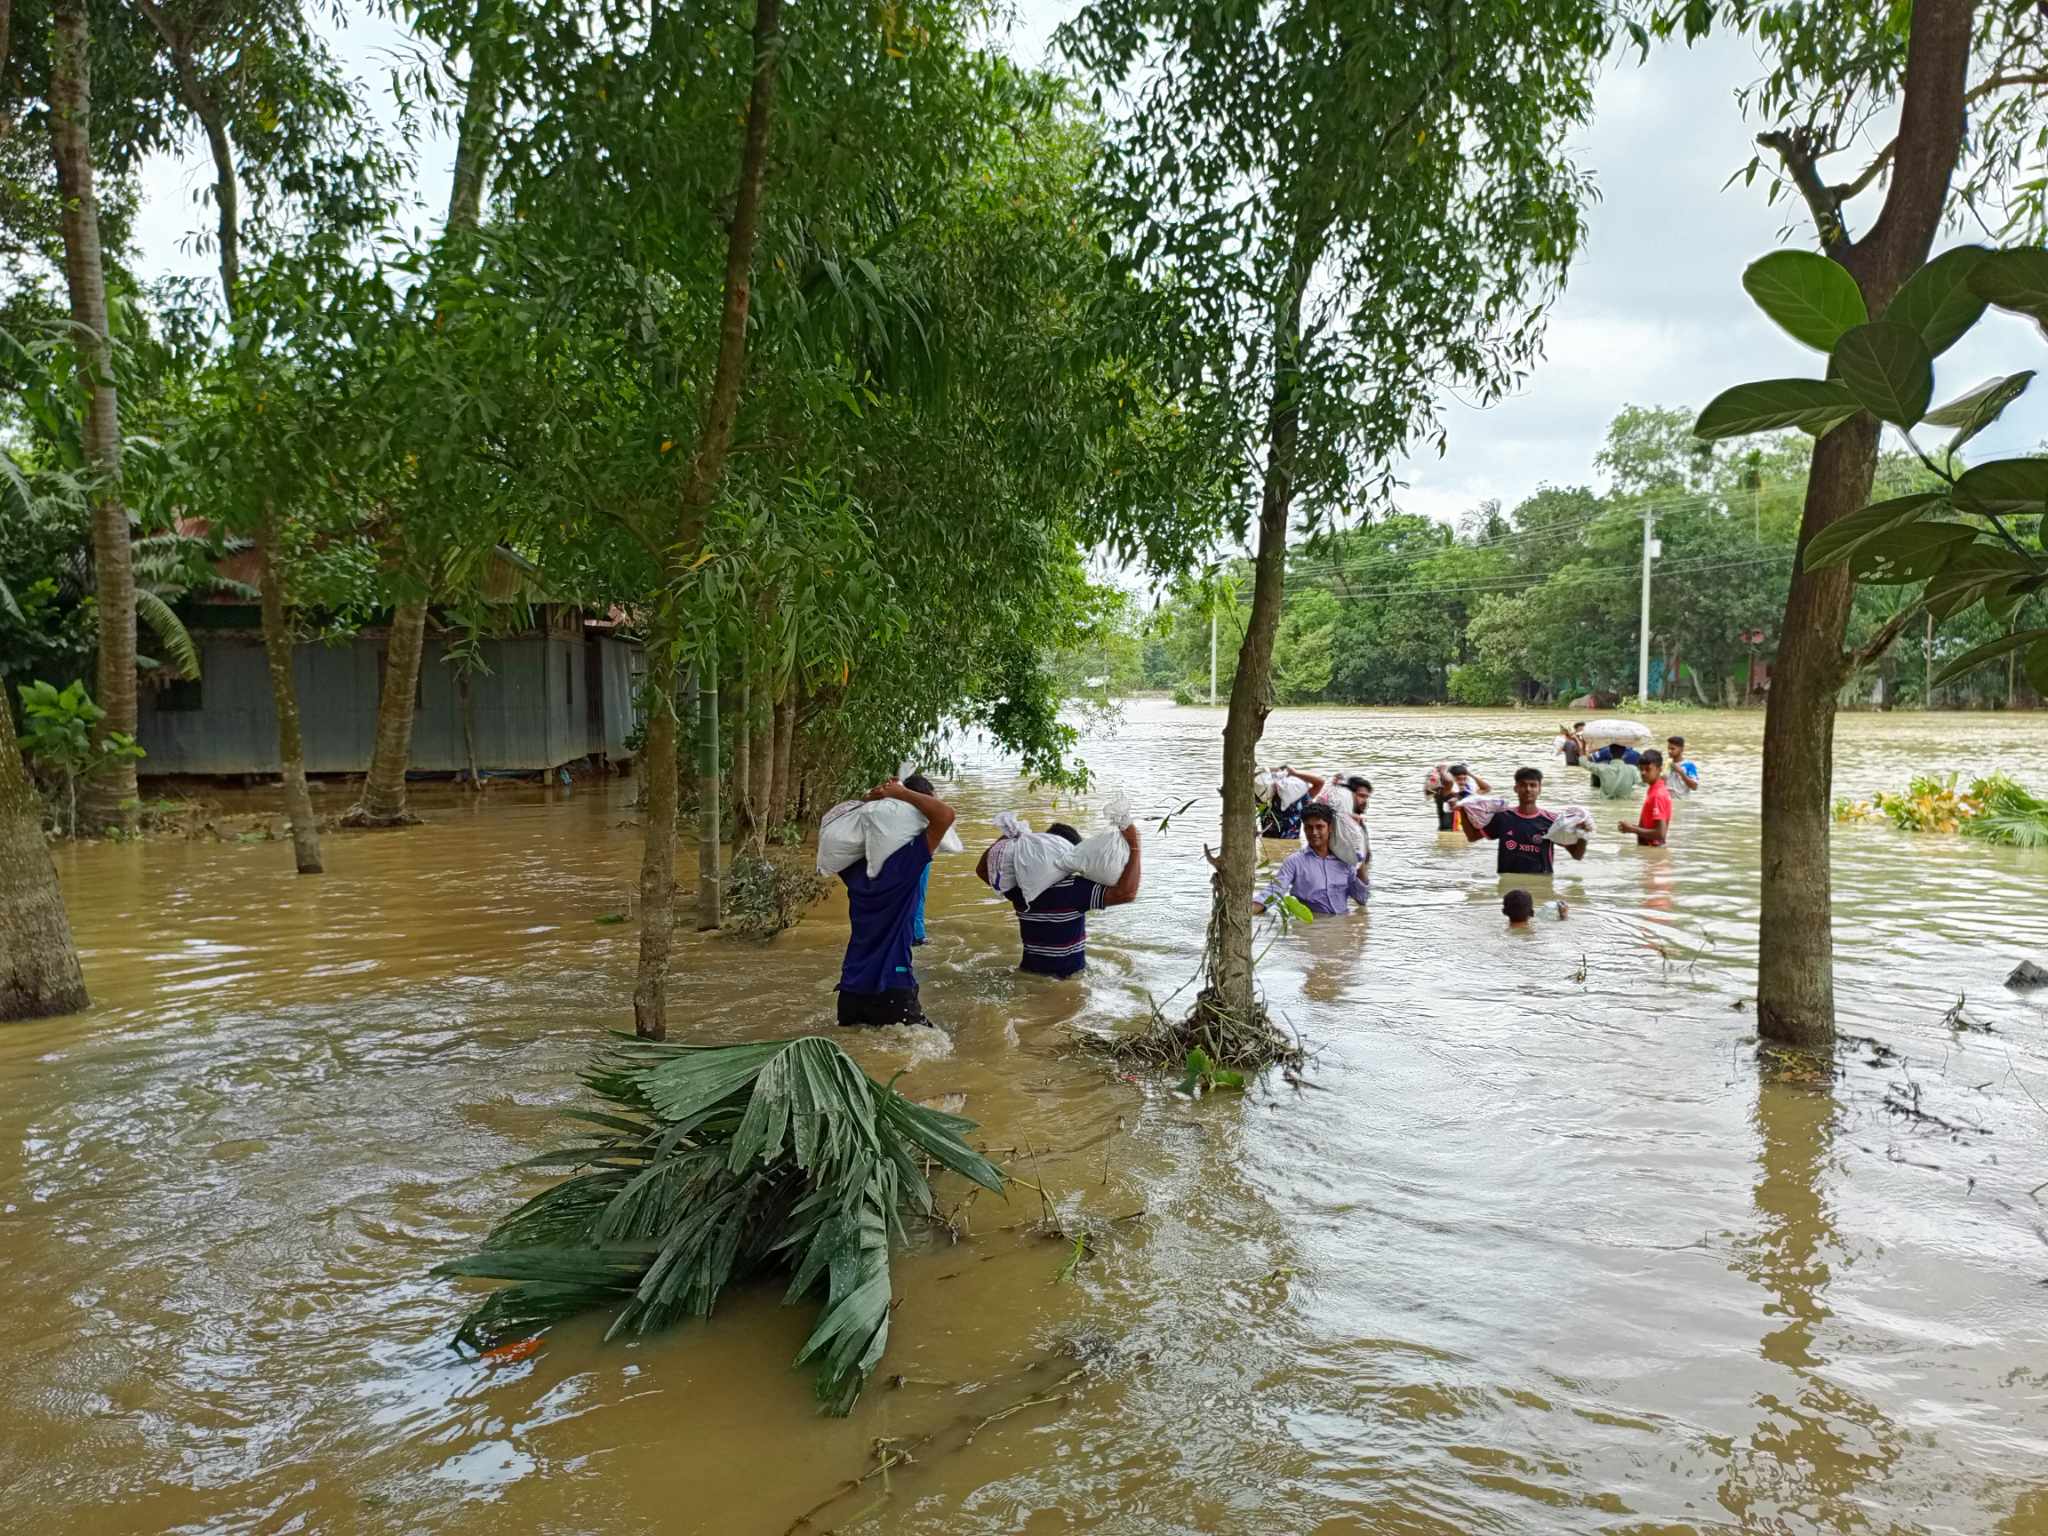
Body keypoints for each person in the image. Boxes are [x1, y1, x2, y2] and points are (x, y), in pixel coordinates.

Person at [836, 775, 955, 1026]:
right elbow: (944, 815)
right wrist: (902, 794)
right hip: (893, 986)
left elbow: (845, 831)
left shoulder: (851, 868)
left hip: (850, 989)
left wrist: (872, 798)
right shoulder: (906, 865)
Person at [980, 821, 1141, 978]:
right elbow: (1127, 894)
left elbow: (982, 871)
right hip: (1068, 981)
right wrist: (1134, 846)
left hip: (1028, 975)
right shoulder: (1077, 890)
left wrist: (1009, 836)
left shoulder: (1021, 890)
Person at [1459, 766, 1588, 875]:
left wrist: (1582, 834)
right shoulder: (1502, 817)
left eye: (1533, 785)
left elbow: (1577, 855)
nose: (1528, 789)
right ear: (1516, 788)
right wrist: (1462, 810)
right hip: (1508, 883)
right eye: (1523, 785)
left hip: (1541, 884)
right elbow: (1472, 837)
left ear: (1539, 789)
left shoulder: (1553, 821)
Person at [1252, 802, 1370, 916]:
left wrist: (1361, 863)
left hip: (1342, 926)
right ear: (1304, 829)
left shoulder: (1345, 860)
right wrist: (1250, 910)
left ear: (1330, 828)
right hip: (1312, 926)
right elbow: (1275, 890)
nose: (1314, 832)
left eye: (1319, 827)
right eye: (1309, 827)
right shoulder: (1294, 862)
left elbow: (1362, 899)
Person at [1618, 749, 1673, 846]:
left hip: (1654, 853)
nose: (1643, 773)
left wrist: (1632, 829)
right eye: (1641, 769)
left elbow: (1660, 834)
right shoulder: (1654, 789)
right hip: (1650, 851)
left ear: (1659, 770)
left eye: (1648, 769)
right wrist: (1630, 827)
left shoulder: (1658, 795)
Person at [1429, 762, 1490, 831]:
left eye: (1464, 779)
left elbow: (1486, 788)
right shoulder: (1444, 792)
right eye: (1458, 779)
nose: (1462, 782)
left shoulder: (1468, 794)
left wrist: (1470, 774)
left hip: (1463, 833)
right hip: (1448, 833)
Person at [1503, 888, 1568, 927]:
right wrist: (1563, 916)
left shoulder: (1504, 929)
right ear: (1532, 912)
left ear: (1504, 912)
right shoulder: (1535, 931)